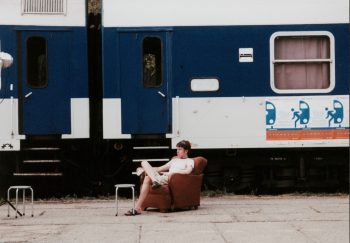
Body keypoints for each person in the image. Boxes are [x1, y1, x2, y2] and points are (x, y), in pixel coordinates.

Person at [125, 140, 194, 216]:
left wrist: (172, 173)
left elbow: (188, 171)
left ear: (186, 151)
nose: (177, 151)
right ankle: (155, 181)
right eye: (177, 149)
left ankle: (137, 208)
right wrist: (146, 169)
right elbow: (159, 169)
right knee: (144, 162)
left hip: (171, 179)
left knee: (147, 178)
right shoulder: (174, 160)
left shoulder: (189, 161)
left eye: (179, 149)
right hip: (162, 177)